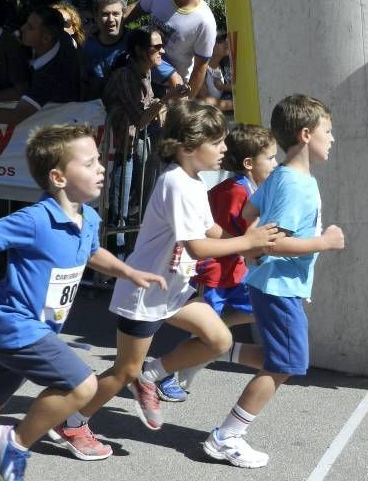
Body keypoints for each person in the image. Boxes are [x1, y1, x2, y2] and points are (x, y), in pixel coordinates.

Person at [0, 124, 166, 481]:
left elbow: (91, 252)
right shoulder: (36, 218)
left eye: (100, 159)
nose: (101, 168)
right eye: (90, 162)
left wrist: (128, 271)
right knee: (82, 386)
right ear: (58, 177)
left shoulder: (89, 219)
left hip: (34, 331)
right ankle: (14, 443)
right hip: (15, 326)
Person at [48, 101, 280, 461]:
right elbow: (199, 246)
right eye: (217, 142)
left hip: (173, 290)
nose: (224, 149)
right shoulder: (176, 183)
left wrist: (251, 250)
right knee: (124, 370)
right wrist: (248, 242)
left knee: (218, 339)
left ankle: (151, 376)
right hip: (144, 292)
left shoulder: (194, 181)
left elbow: (211, 230)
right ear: (189, 145)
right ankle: (73, 423)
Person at [201, 95, 344, 468]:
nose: (333, 138)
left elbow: (250, 213)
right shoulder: (296, 184)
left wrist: (255, 235)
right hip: (278, 286)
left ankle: (214, 349)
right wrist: (322, 242)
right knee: (287, 364)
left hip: (271, 283)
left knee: (282, 357)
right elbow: (274, 241)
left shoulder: (280, 174)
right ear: (306, 134)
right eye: (328, 131)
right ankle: (227, 435)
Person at [157, 123, 278, 402]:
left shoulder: (251, 188)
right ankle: (167, 373)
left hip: (234, 270)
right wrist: (253, 242)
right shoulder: (233, 191)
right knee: (206, 330)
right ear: (249, 163)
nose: (275, 163)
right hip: (213, 270)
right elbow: (218, 232)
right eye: (270, 158)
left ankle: (208, 346)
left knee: (254, 311)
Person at [101, 26, 182, 256]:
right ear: (139, 50)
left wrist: (161, 103)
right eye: (155, 47)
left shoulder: (145, 72)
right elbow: (140, 118)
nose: (162, 51)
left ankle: (134, 256)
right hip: (120, 152)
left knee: (140, 207)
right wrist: (166, 99)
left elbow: (146, 108)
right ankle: (114, 264)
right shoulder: (126, 75)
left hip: (136, 148)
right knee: (120, 211)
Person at [0, 6, 80, 124]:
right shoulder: (60, 38)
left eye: (30, 27)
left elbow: (16, 116)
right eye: (26, 23)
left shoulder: (50, 76)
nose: (23, 28)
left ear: (46, 38)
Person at [125, 0, 216, 98]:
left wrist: (186, 102)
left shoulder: (205, 21)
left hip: (170, 87)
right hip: (141, 73)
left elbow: (200, 68)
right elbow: (136, 10)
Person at [81, 0, 128, 99]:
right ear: (96, 16)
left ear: (123, 15)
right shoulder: (87, 44)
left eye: (116, 14)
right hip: (93, 108)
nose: (111, 19)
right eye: (105, 14)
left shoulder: (134, 41)